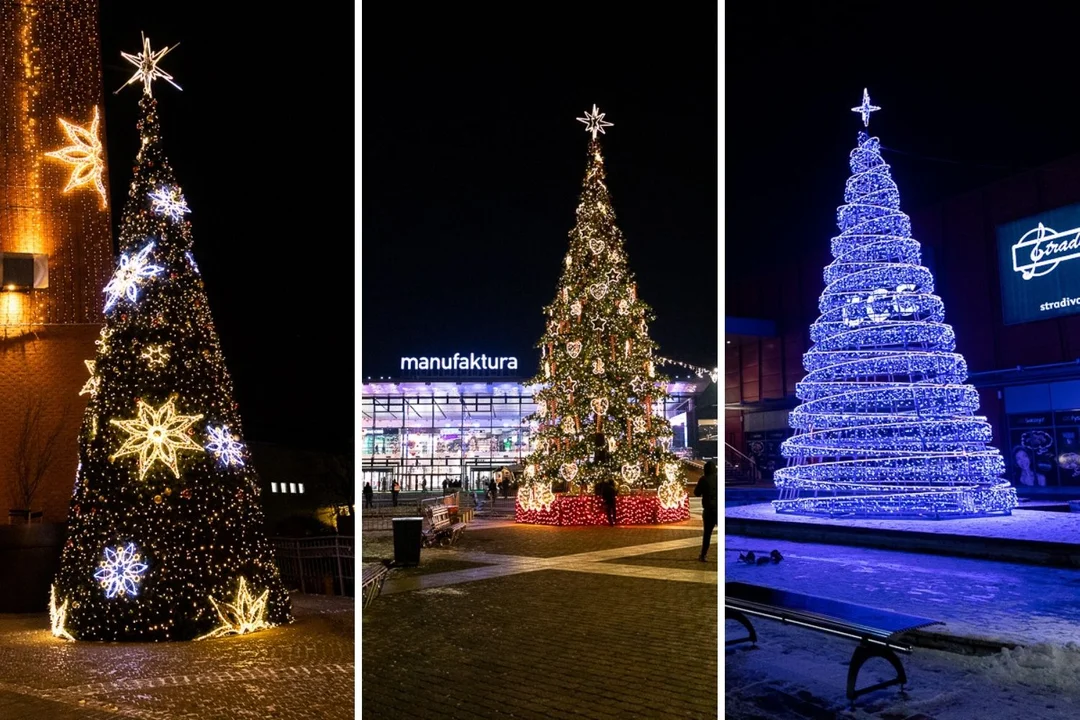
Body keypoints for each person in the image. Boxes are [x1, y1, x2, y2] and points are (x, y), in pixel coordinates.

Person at [695, 461, 718, 561]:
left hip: (708, 509)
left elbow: (696, 493)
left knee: (707, 534)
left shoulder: (703, 479)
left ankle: (703, 555)